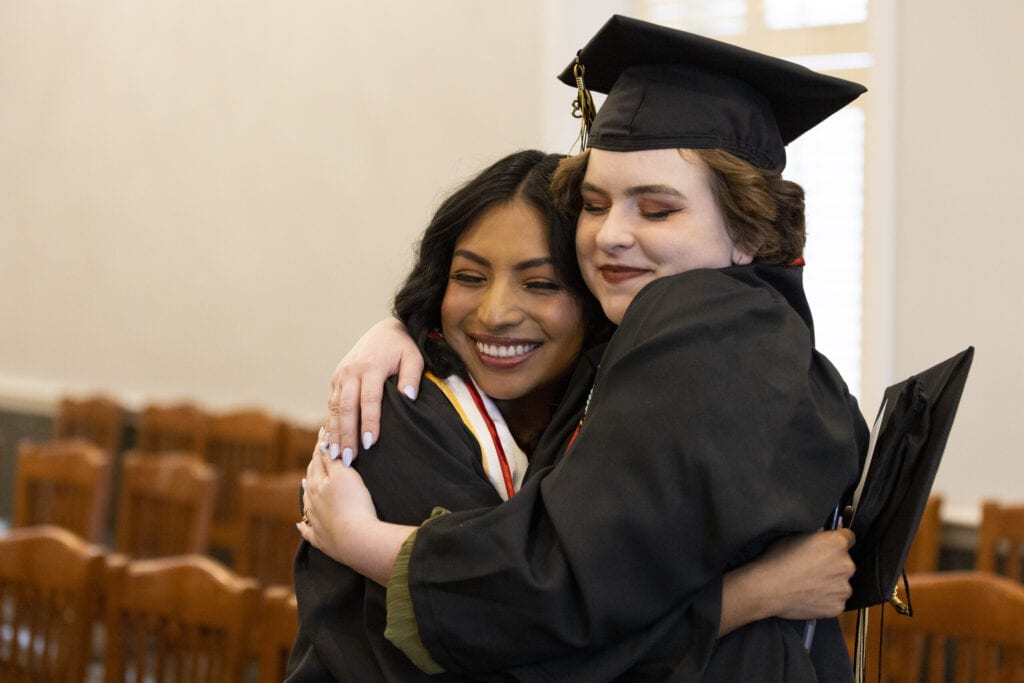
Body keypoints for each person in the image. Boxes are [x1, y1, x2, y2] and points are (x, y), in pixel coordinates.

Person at [301, 15, 869, 681]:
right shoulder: (755, 338)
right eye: (596, 205)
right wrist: (401, 323)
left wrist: (367, 543)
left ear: (748, 232)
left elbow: (556, 586)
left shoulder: (700, 323)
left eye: (657, 210)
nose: (612, 236)